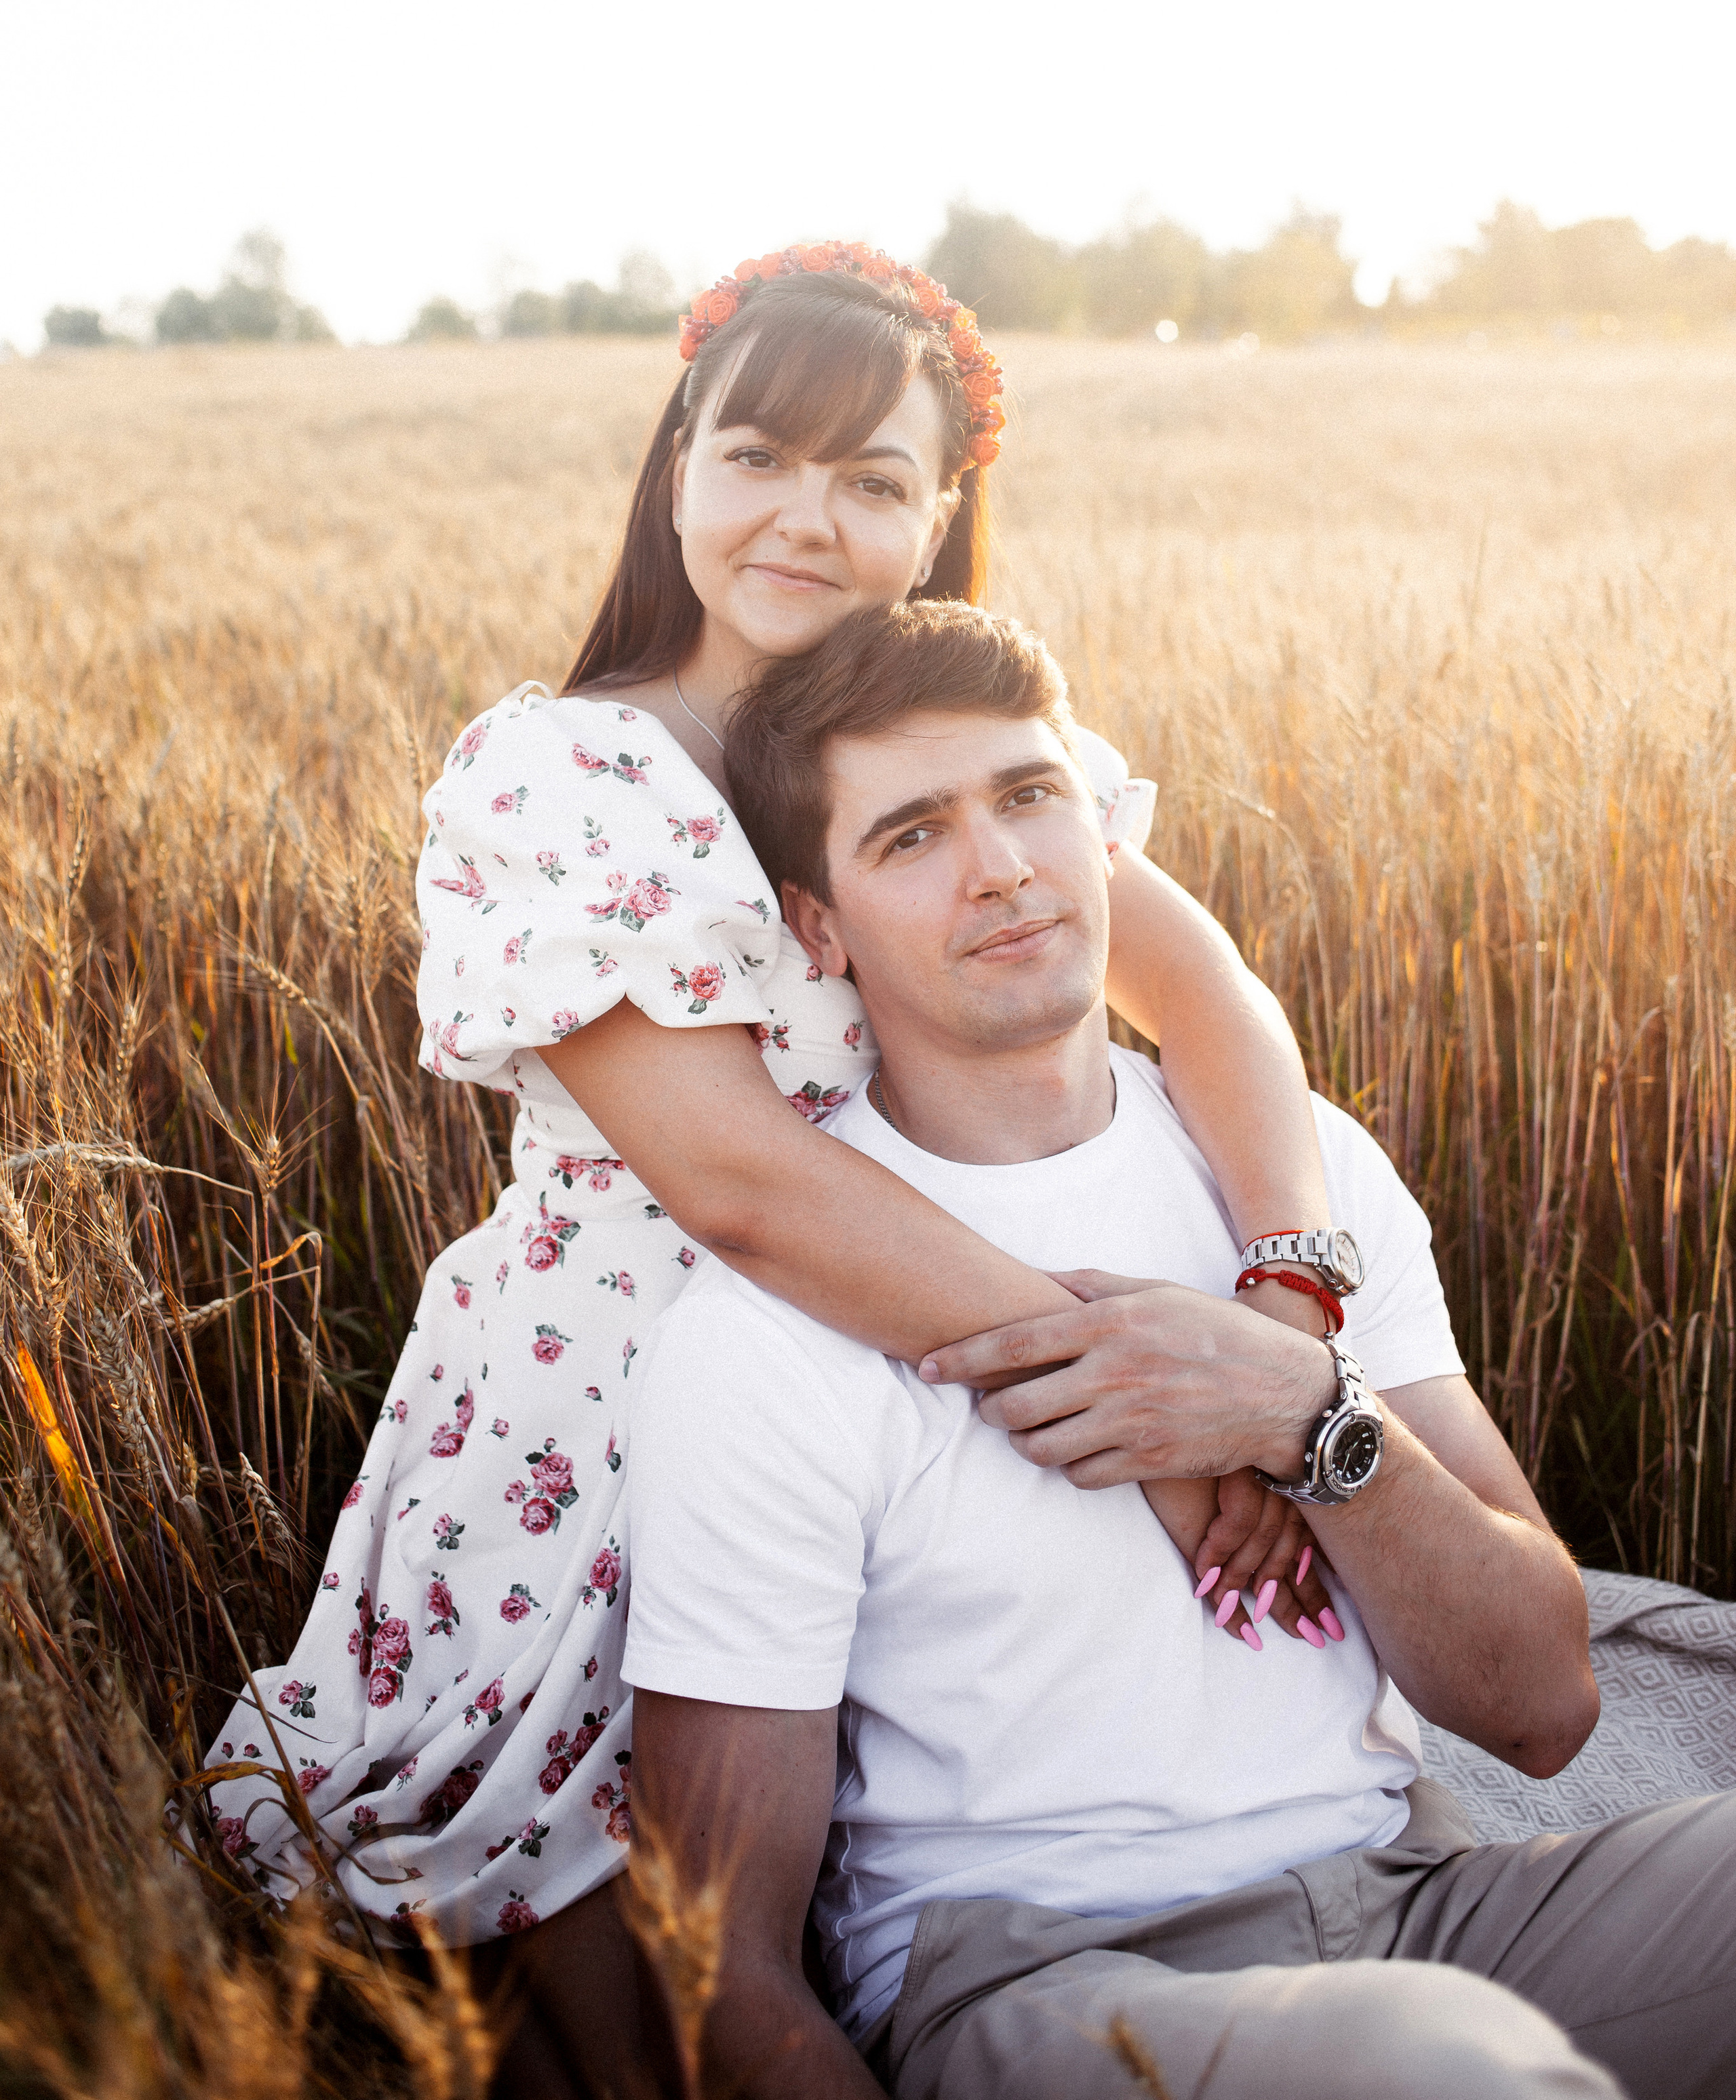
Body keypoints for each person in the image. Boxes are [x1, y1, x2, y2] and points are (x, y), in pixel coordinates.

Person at [203, 244, 1337, 2065]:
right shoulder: (568, 772)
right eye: (759, 459)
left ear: (941, 511)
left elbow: (1210, 1000)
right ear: (678, 466)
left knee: (877, 1901)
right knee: (657, 1980)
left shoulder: (941, 744)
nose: (806, 520)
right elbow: (738, 1182)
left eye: (874, 481)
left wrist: (1287, 1290)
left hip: (920, 1383)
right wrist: (1157, 1429)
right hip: (621, 1420)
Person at [624, 597, 1736, 2100]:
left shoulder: (1302, 1180)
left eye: (1028, 798)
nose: (1002, 867)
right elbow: (716, 1961)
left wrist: (1304, 1413)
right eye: (911, 836)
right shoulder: (763, 1335)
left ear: (1099, 829)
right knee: (1435, 2071)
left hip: (1419, 1904)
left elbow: (1540, 1705)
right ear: (815, 927)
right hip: (1050, 1987)